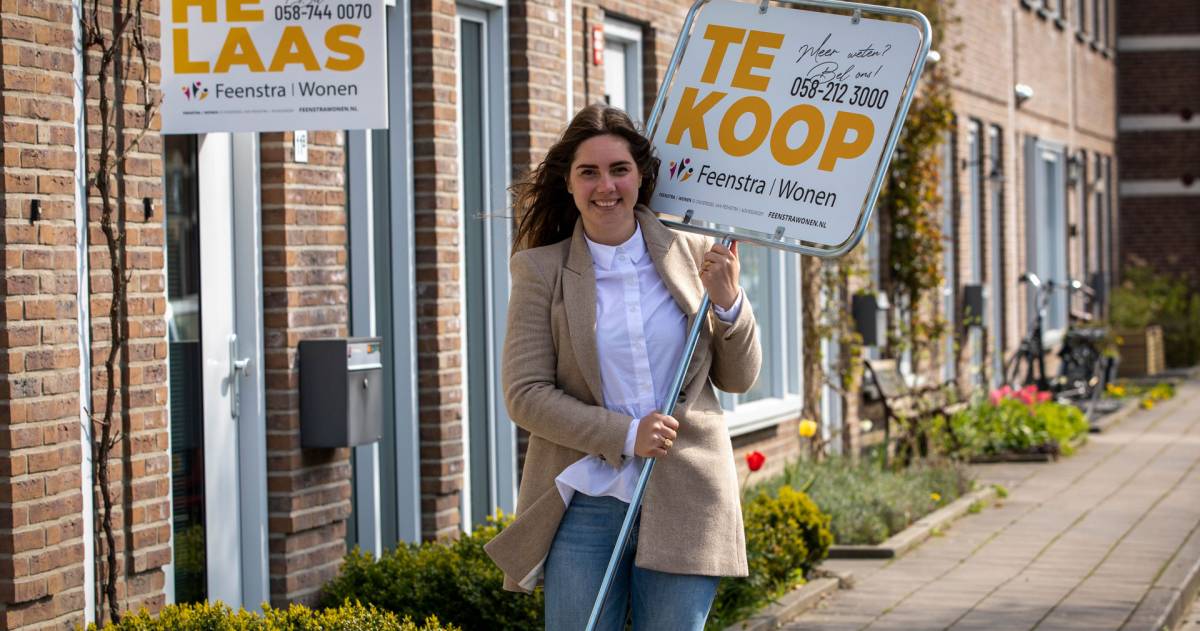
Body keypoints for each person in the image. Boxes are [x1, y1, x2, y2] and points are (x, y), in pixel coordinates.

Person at [483, 103, 762, 630]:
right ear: (568, 182)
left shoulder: (694, 251)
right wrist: (626, 433)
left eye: (619, 170)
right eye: (589, 172)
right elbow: (525, 393)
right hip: (586, 501)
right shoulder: (540, 271)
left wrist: (728, 302)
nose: (605, 186)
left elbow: (740, 377)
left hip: (687, 496)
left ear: (641, 177)